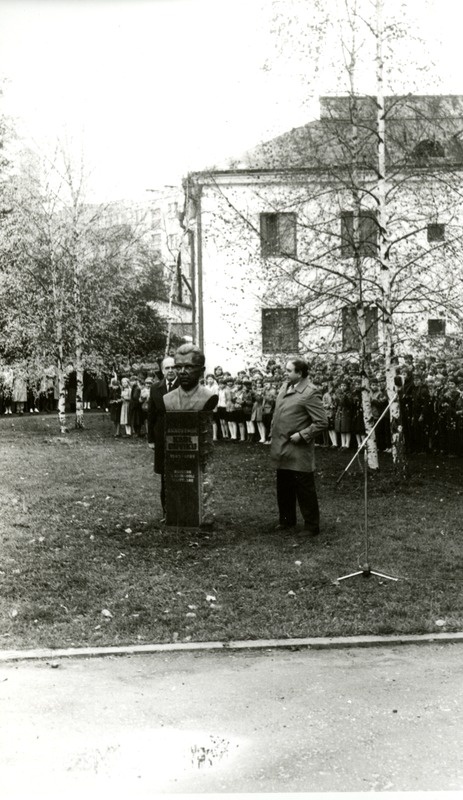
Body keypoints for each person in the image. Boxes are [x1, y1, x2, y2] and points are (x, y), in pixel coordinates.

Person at [270, 357, 328, 536]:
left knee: (304, 489)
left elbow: (322, 422)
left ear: (300, 373)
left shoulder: (310, 392)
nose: (284, 373)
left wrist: (303, 435)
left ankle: (311, 526)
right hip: (282, 447)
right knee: (284, 486)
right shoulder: (285, 387)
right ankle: (287, 521)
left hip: (298, 449)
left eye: (288, 370)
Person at [147, 356, 179, 519]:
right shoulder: (155, 388)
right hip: (161, 437)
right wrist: (151, 439)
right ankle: (167, 512)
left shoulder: (185, 387)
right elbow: (151, 414)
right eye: (167, 368)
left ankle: (183, 510)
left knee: (181, 473)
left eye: (173, 367)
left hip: (181, 436)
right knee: (165, 475)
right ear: (162, 370)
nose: (171, 370)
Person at [163, 344, 218, 412]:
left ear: (201, 370)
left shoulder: (209, 396)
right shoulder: (167, 398)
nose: (182, 372)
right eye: (178, 367)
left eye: (189, 367)